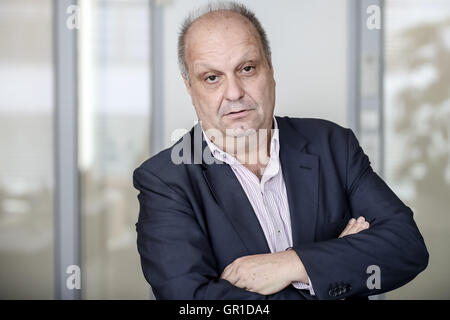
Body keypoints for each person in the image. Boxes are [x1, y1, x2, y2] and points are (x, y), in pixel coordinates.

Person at [133, 2, 428, 300]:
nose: (234, 93)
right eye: (212, 78)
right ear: (189, 87)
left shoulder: (332, 144)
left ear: (270, 68)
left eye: (247, 69)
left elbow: (406, 246)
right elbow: (193, 302)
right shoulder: (164, 180)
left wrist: (290, 264)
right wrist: (329, 266)